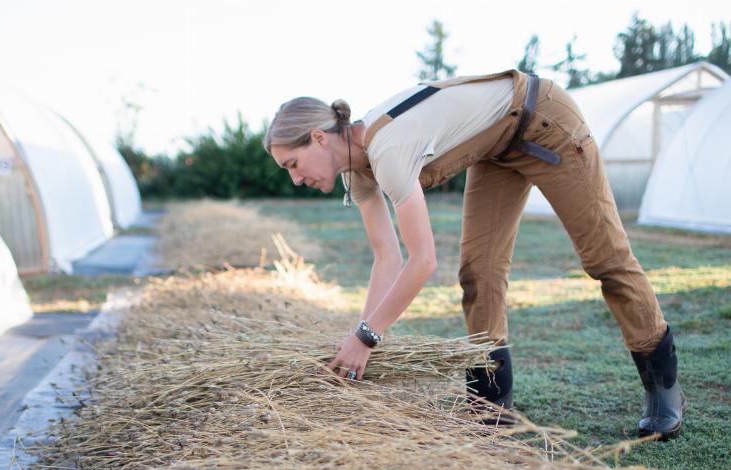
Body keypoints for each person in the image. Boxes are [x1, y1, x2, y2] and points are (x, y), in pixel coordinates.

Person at [263, 69, 685, 440]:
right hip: (497, 150)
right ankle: (490, 407)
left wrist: (367, 338)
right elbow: (386, 259)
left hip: (544, 120)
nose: (296, 179)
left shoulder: (387, 149)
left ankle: (662, 385)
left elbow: (422, 261)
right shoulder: (356, 171)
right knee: (477, 274)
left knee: (604, 258)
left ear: (319, 138)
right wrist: (361, 340)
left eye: (292, 164)